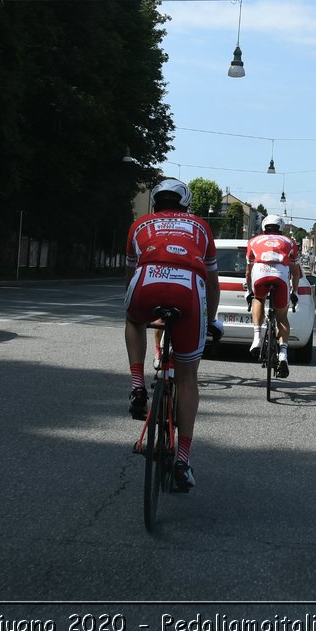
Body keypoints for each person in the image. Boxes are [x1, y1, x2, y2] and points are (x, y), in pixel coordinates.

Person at [122, 178, 219, 493]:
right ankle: (183, 460)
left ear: (155, 202)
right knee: (188, 376)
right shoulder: (201, 227)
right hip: (189, 286)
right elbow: (213, 281)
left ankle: (138, 385)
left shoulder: (139, 225)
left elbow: (130, 275)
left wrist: (138, 305)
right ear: (186, 203)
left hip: (147, 280)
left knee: (133, 320)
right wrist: (212, 318)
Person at [245, 212, 303, 378]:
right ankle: (283, 354)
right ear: (282, 228)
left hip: (260, 272)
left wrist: (249, 291)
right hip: (280, 275)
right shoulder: (290, 241)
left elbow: (249, 272)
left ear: (264, 227)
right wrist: (295, 291)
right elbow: (296, 273)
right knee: (282, 317)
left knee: (258, 299)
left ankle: (256, 338)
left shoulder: (253, 241)